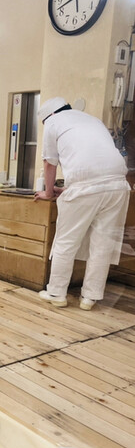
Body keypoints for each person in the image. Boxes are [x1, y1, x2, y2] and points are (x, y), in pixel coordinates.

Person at [35, 97, 130, 311]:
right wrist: (70, 189)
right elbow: (96, 165)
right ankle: (90, 298)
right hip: (117, 186)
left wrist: (49, 192)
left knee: (66, 241)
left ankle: (57, 293)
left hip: (86, 188)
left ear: (49, 116)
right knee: (102, 243)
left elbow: (49, 163)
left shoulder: (53, 122)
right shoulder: (92, 120)